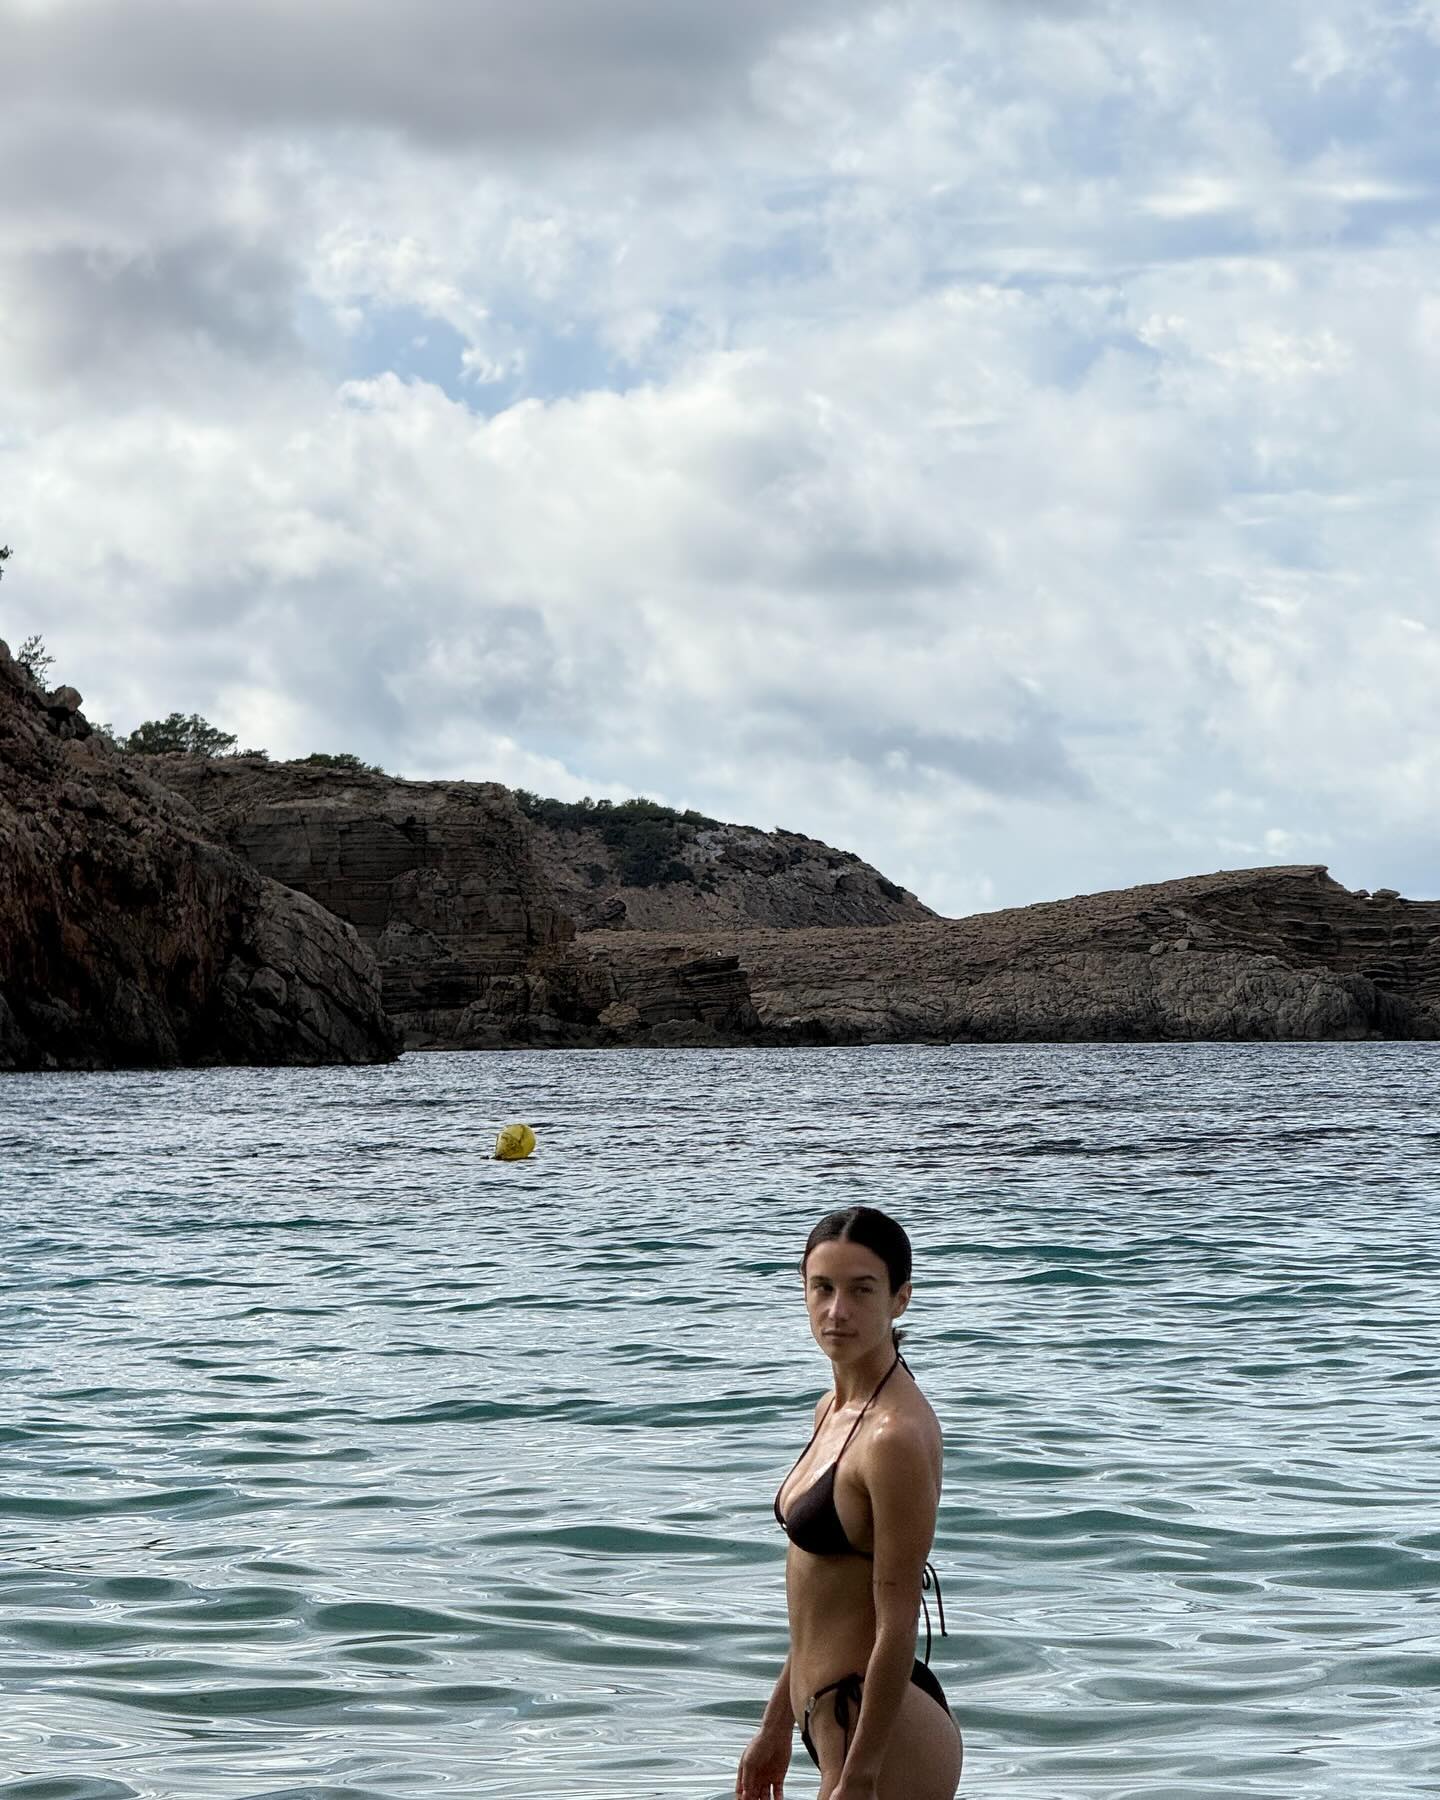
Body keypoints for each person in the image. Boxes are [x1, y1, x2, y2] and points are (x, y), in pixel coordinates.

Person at [737, 1206, 962, 1800]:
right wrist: (775, 1727)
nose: (837, 1310)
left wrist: (859, 1776)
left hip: (875, 1729)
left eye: (862, 1290)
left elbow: (897, 1622)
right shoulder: (831, 1410)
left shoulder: (893, 1437)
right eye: (823, 1287)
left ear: (900, 1299)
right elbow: (821, 1602)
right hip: (827, 1717)